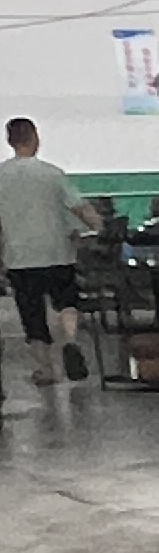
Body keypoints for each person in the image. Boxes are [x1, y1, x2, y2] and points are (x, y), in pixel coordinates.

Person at [1, 119, 89, 388]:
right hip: (57, 253)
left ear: (10, 140)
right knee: (67, 302)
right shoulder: (52, 174)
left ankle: (46, 369)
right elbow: (79, 207)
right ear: (34, 137)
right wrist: (100, 226)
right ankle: (70, 341)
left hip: (20, 258)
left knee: (32, 315)